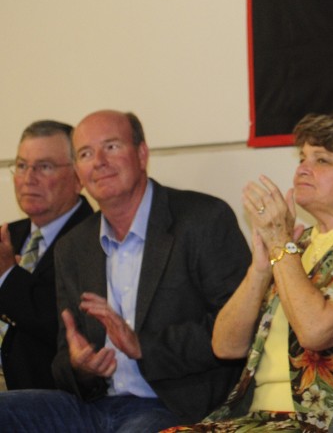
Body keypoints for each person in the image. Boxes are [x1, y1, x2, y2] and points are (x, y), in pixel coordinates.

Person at [0, 109, 252, 431]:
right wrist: (80, 366)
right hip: (92, 406)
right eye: (86, 153)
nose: (99, 161)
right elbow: (63, 360)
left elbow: (241, 331)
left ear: (142, 154)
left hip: (172, 404)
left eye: (112, 147)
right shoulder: (75, 246)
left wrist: (143, 346)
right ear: (79, 170)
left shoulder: (203, 219)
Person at [166, 112, 333, 432]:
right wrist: (260, 269)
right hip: (258, 416)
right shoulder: (300, 244)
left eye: (321, 160)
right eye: (302, 157)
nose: (303, 168)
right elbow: (225, 345)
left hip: (319, 421)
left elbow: (315, 332)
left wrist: (280, 243)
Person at [0, 120, 94, 391]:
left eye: (45, 166)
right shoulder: (10, 234)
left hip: (41, 394)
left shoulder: (95, 238)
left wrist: (7, 275)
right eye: (21, 166)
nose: (29, 178)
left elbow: (65, 323)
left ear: (78, 177)